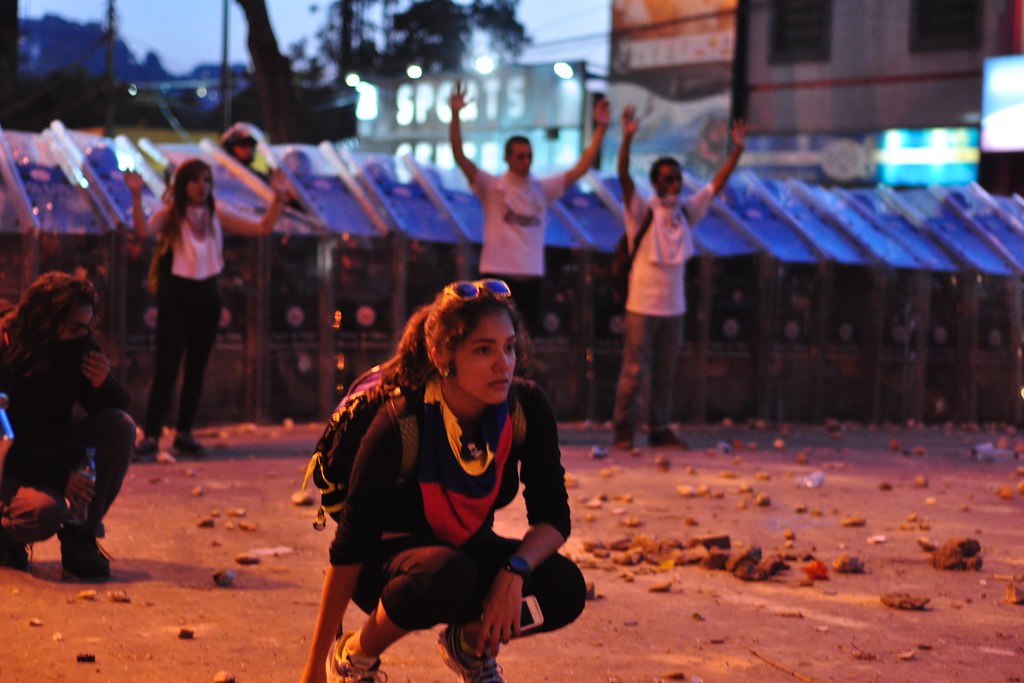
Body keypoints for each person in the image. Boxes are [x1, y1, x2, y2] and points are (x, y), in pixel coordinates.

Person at [300, 279, 585, 683]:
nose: (503, 364)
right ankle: (355, 655)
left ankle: (469, 646)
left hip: (463, 554)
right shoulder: (402, 421)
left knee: (565, 587)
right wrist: (313, 671)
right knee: (448, 572)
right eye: (483, 350)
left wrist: (513, 572)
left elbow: (553, 517)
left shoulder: (526, 409)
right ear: (442, 355)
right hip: (390, 574)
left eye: (509, 347)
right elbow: (349, 548)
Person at [125, 159, 290, 457]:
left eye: (206, 181)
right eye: (195, 180)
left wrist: (278, 199)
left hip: (207, 293)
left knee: (197, 367)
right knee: (167, 365)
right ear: (182, 184)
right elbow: (143, 230)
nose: (202, 187)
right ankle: (150, 434)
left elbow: (262, 228)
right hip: (176, 293)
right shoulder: (171, 214)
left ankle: (184, 432)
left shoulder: (217, 213)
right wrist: (136, 195)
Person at [611, 106, 748, 450]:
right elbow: (624, 177)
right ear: (656, 181)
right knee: (633, 371)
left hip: (674, 307)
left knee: (664, 373)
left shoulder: (686, 213)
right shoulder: (642, 211)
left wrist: (737, 150)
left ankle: (658, 428)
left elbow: (715, 184)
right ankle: (623, 431)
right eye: (669, 178)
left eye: (678, 178)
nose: (676, 184)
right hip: (641, 305)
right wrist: (626, 138)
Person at [0, 272, 134, 580]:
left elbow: (115, 412)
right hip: (8, 461)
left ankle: (80, 536)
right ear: (47, 320)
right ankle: (6, 535)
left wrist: (105, 386)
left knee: (119, 426)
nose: (83, 334)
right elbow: (5, 442)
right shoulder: (6, 347)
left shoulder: (77, 344)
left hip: (49, 450)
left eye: (86, 327)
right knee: (44, 512)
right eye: (75, 326)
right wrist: (60, 478)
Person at [449, 83, 611, 329]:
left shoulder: (540, 189)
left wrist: (601, 128)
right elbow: (460, 157)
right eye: (519, 156)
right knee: (493, 334)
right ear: (507, 158)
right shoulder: (493, 187)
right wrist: (455, 115)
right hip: (497, 275)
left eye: (528, 155)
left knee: (525, 338)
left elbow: (581, 168)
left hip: (531, 274)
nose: (525, 161)